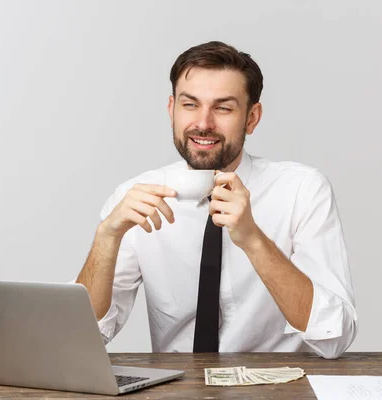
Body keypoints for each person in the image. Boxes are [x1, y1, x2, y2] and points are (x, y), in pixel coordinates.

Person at [76, 41, 357, 359]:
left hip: (279, 388)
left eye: (223, 108)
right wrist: (107, 236)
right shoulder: (135, 196)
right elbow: (82, 339)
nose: (204, 123)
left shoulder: (302, 190)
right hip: (179, 390)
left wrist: (253, 239)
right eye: (190, 105)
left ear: (252, 118)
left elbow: (334, 336)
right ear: (172, 110)